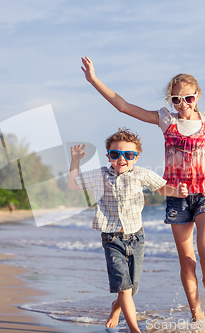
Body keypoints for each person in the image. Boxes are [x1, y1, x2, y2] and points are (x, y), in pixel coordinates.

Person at [81, 57, 205, 321]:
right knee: (187, 260)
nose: (183, 104)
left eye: (188, 98)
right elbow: (124, 106)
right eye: (176, 99)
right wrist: (94, 79)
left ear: (197, 97)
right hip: (176, 198)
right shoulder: (166, 120)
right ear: (170, 100)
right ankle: (197, 314)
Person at [68, 128, 188, 333]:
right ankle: (135, 329)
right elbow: (73, 184)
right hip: (111, 237)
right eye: (115, 154)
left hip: (136, 237)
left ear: (136, 157)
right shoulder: (101, 176)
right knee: (123, 287)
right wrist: (75, 161)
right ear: (108, 156)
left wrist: (177, 192)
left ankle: (116, 309)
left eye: (128, 155)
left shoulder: (141, 174)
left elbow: (161, 188)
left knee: (131, 288)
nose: (121, 159)